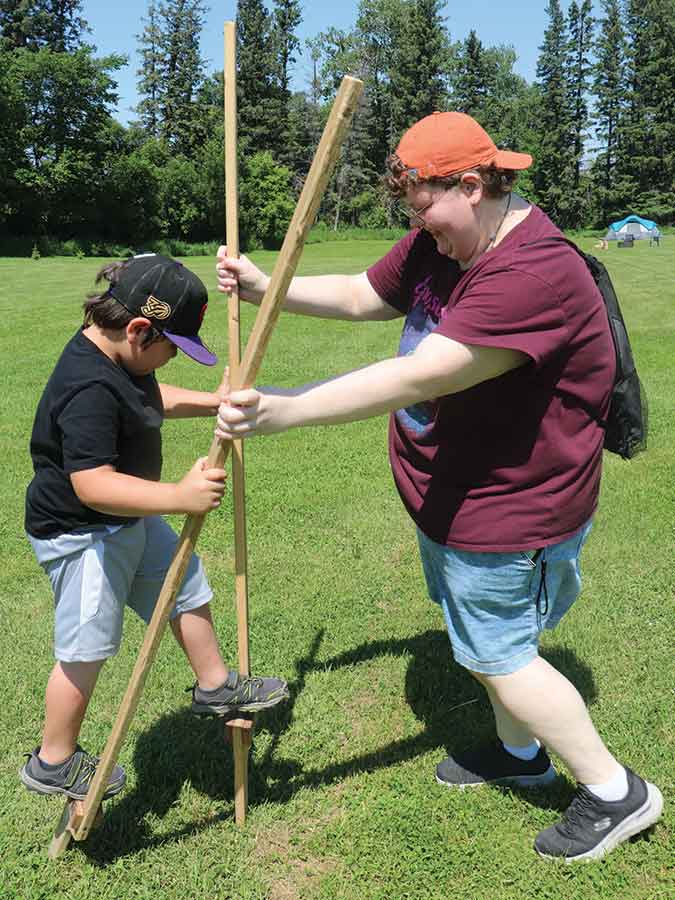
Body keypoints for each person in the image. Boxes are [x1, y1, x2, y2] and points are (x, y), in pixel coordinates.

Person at [213, 112, 663, 861]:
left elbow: (423, 373)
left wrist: (285, 410)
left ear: (473, 185)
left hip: (512, 503)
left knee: (500, 656)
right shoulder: (444, 239)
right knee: (484, 644)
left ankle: (617, 792)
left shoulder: (532, 274)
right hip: (456, 494)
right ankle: (519, 755)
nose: (422, 230)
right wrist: (267, 287)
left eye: (427, 212)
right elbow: (362, 294)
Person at [21, 253, 288, 802]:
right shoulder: (89, 387)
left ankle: (216, 686)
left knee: (184, 582)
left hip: (126, 520)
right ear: (140, 331)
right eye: (174, 347)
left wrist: (214, 402)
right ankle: (54, 760)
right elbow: (92, 484)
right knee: (86, 647)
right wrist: (179, 497)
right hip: (83, 535)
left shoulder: (119, 362)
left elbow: (149, 399)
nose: (173, 358)